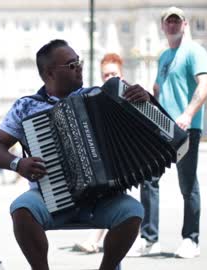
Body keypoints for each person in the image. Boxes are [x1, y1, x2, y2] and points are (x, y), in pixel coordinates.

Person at [0, 39, 150, 270]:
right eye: (72, 65)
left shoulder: (98, 97)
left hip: (100, 200)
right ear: (50, 73)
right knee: (21, 210)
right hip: (49, 198)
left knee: (133, 212)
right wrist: (18, 164)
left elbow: (143, 125)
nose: (79, 68)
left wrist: (146, 100)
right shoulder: (27, 106)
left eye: (78, 62)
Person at [129, 7, 207, 259]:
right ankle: (149, 239)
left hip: (186, 129)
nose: (173, 25)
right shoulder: (164, 56)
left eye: (177, 21)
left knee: (187, 185)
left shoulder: (195, 51)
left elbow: (205, 84)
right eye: (169, 22)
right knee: (148, 179)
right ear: (163, 27)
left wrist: (187, 114)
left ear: (185, 24)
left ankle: (191, 240)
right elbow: (158, 87)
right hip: (160, 128)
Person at [73, 52, 126, 254]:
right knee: (108, 196)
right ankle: (98, 238)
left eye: (113, 73)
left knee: (111, 196)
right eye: (105, 75)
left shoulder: (131, 94)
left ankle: (95, 239)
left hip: (125, 158)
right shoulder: (97, 97)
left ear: (121, 74)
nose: (109, 78)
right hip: (105, 157)